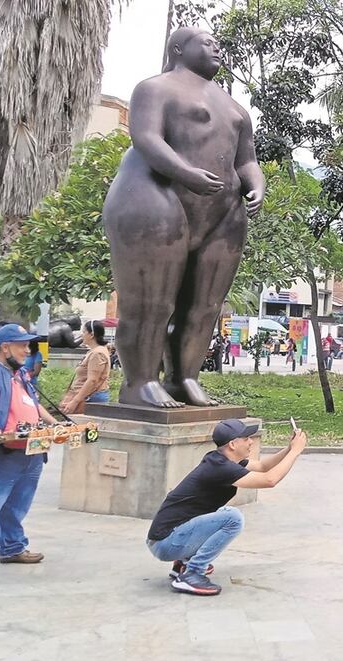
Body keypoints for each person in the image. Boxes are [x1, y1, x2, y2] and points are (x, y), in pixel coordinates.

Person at [102, 27, 264, 409]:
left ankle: (185, 377)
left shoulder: (234, 108)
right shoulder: (155, 88)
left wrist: (256, 185)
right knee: (151, 301)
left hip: (221, 212)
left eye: (218, 44)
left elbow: (247, 159)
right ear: (178, 48)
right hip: (155, 198)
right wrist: (185, 173)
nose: (217, 48)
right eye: (207, 43)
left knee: (205, 305)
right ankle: (140, 382)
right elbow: (146, 138)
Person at [147, 418, 309, 595]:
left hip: (167, 539)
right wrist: (295, 452)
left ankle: (183, 564)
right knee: (232, 517)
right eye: (246, 438)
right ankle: (192, 574)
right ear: (233, 444)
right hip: (166, 543)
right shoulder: (221, 468)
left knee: (220, 513)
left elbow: (263, 467)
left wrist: (289, 448)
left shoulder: (222, 460)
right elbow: (269, 480)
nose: (251, 442)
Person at [0, 324, 63, 576]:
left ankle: (12, 547)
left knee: (18, 503)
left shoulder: (20, 374)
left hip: (29, 450)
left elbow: (35, 405)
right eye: (22, 345)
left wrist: (56, 425)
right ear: (5, 347)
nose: (27, 350)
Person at [60, 320, 112, 414]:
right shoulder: (95, 351)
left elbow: (92, 380)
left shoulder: (97, 353)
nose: (82, 335)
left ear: (91, 335)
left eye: (84, 332)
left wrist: (75, 401)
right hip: (88, 396)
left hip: (91, 398)